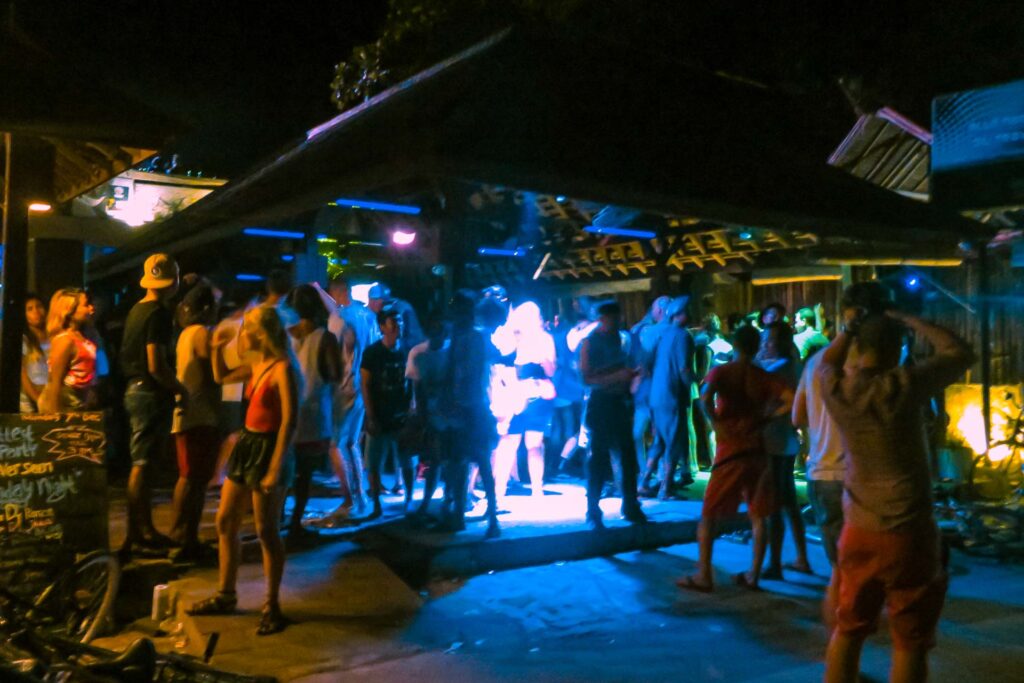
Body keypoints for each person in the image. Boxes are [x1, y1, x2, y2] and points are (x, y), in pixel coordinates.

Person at [820, 308, 972, 683]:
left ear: (858, 348)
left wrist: (848, 330)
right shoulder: (905, 385)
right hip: (909, 532)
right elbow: (960, 352)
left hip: (858, 529)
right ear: (898, 350)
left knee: (848, 629)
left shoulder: (837, 390)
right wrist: (914, 320)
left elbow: (827, 361)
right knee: (910, 641)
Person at [188, 304, 298, 636]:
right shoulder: (256, 363)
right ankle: (225, 594)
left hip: (267, 449)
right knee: (225, 520)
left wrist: (276, 466)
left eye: (247, 327)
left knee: (266, 530)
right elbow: (221, 377)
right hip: (247, 445)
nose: (242, 332)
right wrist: (217, 349)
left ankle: (272, 605)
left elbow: (290, 421)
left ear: (261, 333)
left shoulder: (283, 369)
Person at [677, 325, 793, 592]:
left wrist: (716, 423)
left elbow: (705, 398)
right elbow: (791, 399)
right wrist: (767, 418)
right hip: (757, 449)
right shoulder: (762, 376)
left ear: (735, 345)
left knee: (708, 515)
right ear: (755, 347)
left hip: (730, 450)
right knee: (758, 514)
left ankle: (704, 574)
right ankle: (754, 575)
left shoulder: (722, 372)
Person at [119, 255, 187, 557]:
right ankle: (141, 531)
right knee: (143, 464)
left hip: (133, 389)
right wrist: (180, 389)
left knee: (140, 462)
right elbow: (156, 363)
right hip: (148, 392)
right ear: (172, 282)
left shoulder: (137, 310)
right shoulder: (159, 314)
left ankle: (139, 530)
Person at [314, 276, 378, 519]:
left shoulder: (338, 319)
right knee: (351, 443)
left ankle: (349, 500)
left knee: (335, 445)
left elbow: (337, 351)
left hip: (344, 386)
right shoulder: (367, 315)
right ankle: (360, 497)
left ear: (335, 293)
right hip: (363, 385)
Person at [580, 301, 646, 530]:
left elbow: (633, 366)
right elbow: (586, 378)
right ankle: (593, 510)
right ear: (602, 319)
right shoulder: (589, 342)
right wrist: (617, 377)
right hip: (601, 403)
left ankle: (630, 504)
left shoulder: (622, 339)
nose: (617, 322)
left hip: (620, 402)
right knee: (598, 458)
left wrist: (632, 380)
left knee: (627, 457)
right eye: (612, 319)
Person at [169, 282, 221, 563]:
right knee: (192, 480)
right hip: (197, 414)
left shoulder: (185, 333)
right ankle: (181, 540)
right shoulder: (200, 333)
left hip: (190, 414)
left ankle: (186, 537)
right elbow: (214, 372)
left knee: (193, 479)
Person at [756, 321, 811, 579]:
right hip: (786, 441)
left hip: (774, 442)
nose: (766, 344)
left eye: (770, 340)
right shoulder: (796, 366)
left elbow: (786, 403)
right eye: (764, 339)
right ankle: (802, 558)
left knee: (774, 504)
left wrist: (767, 416)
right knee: (789, 502)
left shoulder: (779, 369)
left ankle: (775, 564)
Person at [285, 285, 340, 541]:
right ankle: (296, 522)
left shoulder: (285, 335)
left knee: (283, 471)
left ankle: (276, 519)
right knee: (305, 474)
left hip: (286, 409)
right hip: (314, 414)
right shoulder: (325, 337)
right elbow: (335, 373)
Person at [494, 301, 556, 501]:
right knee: (508, 442)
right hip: (514, 395)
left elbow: (551, 370)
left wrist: (542, 359)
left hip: (538, 395)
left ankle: (537, 489)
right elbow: (499, 366)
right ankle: (498, 490)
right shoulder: (511, 338)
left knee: (535, 443)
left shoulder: (545, 339)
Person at [792, 342, 845, 568]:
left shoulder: (813, 364)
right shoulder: (868, 359)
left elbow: (797, 417)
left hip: (825, 466)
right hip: (864, 469)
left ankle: (841, 590)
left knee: (835, 542)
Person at [641, 296, 696, 499]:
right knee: (674, 442)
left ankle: (645, 482)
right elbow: (684, 369)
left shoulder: (664, 335)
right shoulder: (683, 336)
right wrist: (699, 381)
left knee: (659, 441)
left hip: (657, 395)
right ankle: (665, 488)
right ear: (679, 315)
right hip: (672, 396)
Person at [362, 304, 414, 518]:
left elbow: (412, 382)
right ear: (382, 326)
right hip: (381, 415)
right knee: (374, 461)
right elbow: (365, 385)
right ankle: (376, 504)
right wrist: (370, 415)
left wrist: (412, 408)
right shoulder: (373, 353)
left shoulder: (407, 350)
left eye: (400, 321)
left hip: (401, 415)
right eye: (393, 321)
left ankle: (409, 500)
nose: (398, 325)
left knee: (407, 459)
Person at [38, 289, 99, 413]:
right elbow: (55, 381)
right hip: (66, 403)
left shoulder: (82, 337)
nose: (91, 308)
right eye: (86, 305)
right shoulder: (65, 340)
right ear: (70, 311)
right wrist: (54, 416)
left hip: (80, 400)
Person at [631, 296, 670, 481]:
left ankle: (645, 471)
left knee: (639, 432)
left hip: (646, 388)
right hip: (656, 388)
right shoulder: (663, 330)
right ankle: (657, 474)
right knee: (656, 432)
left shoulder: (643, 330)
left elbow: (641, 361)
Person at [368, 283, 424, 348]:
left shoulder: (403, 309)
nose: (384, 305)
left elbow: (415, 338)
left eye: (386, 302)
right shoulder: (366, 315)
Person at [20, 293, 49, 413]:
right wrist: (37, 399)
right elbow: (23, 375)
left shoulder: (54, 337)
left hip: (51, 394)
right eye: (30, 309)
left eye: (39, 306)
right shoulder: (24, 340)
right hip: (31, 400)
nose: (36, 311)